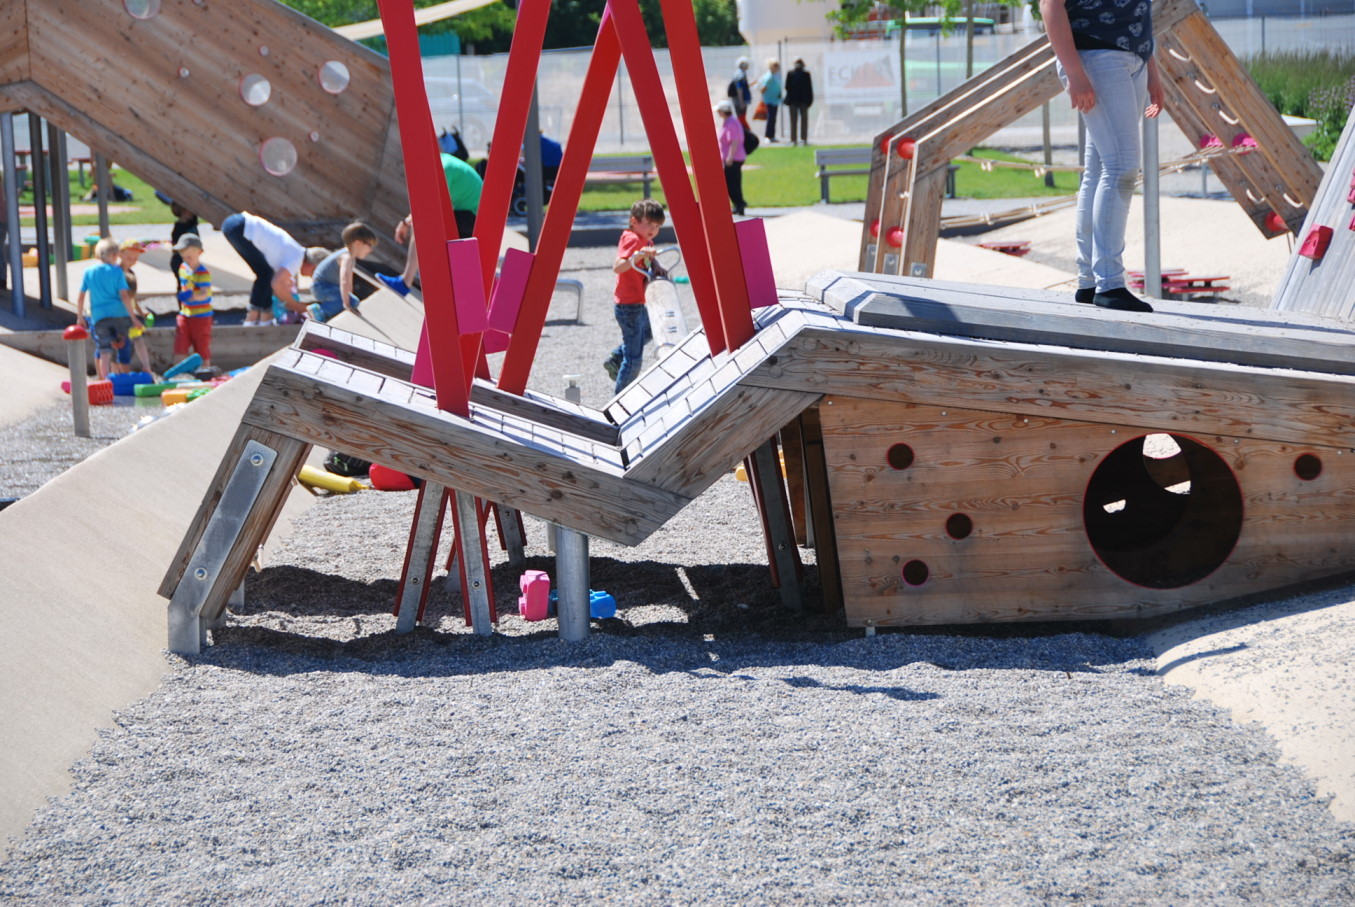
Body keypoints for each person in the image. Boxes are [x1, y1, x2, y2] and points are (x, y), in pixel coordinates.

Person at [1042, 0, 1163, 313]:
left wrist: (1151, 69)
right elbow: (1050, 5)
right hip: (1096, 56)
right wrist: (1074, 73)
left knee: (1098, 169)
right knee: (1121, 168)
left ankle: (1090, 281)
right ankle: (1109, 283)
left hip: (1131, 58)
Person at [378, 152, 483, 297]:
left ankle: (406, 282)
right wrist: (406, 221)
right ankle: (413, 281)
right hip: (471, 212)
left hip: (474, 216)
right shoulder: (441, 160)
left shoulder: (443, 169)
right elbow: (425, 203)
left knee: (422, 227)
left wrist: (405, 223)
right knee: (425, 227)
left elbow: (430, 206)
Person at [221, 211, 326, 324]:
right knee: (266, 274)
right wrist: (297, 306)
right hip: (241, 227)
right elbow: (277, 284)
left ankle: (260, 318)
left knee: (265, 274)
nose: (311, 277)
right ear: (311, 265)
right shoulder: (296, 258)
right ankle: (255, 318)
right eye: (314, 273)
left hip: (236, 224)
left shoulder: (295, 252)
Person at [603, 199, 664, 394]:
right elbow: (618, 267)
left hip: (639, 302)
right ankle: (619, 398)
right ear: (634, 221)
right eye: (650, 224)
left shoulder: (646, 241)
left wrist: (657, 266)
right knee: (634, 358)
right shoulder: (631, 239)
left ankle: (616, 356)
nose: (653, 229)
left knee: (648, 333)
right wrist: (634, 258)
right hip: (628, 305)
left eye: (657, 226)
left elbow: (650, 258)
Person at [76, 237, 143, 380]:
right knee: (123, 345)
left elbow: (81, 296)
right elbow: (125, 297)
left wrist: (80, 317)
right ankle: (124, 377)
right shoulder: (117, 272)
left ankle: (104, 381)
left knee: (104, 351)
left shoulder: (89, 271)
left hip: (99, 317)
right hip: (120, 315)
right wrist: (134, 317)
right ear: (114, 256)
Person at [307, 221, 378, 323]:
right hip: (321, 287)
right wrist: (347, 304)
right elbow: (344, 279)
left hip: (326, 287)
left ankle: (327, 312)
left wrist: (348, 301)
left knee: (354, 301)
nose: (371, 250)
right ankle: (320, 311)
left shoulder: (350, 258)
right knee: (351, 302)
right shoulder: (346, 257)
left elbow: (348, 283)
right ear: (358, 243)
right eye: (369, 245)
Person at [173, 234, 213, 369]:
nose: (186, 260)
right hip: (185, 312)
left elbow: (205, 293)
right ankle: (179, 371)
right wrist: (183, 296)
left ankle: (205, 370)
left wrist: (193, 296)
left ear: (199, 253)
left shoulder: (203, 273)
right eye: (183, 257)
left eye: (189, 257)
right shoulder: (183, 268)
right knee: (180, 343)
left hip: (201, 315)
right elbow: (184, 286)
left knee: (201, 345)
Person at [115, 239, 154, 375]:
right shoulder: (116, 273)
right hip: (120, 315)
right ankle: (119, 372)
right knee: (121, 343)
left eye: (135, 258)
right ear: (120, 254)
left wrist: (140, 311)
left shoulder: (131, 273)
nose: (131, 260)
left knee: (138, 339)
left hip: (130, 314)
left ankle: (146, 366)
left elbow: (132, 297)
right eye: (129, 257)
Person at [716, 100, 748, 216]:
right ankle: (739, 204)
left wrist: (730, 157)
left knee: (731, 183)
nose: (718, 113)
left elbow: (734, 141)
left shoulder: (731, 123)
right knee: (733, 182)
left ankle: (739, 204)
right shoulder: (728, 121)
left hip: (733, 159)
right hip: (732, 158)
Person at [784, 58, 814, 146]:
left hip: (803, 100)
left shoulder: (806, 74)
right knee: (793, 120)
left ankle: (803, 139)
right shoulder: (790, 73)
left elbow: (809, 88)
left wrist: (809, 100)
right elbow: (787, 86)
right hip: (793, 100)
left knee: (804, 119)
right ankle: (793, 139)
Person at [756, 59, 783, 142]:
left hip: (775, 100)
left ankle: (772, 136)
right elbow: (763, 89)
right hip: (769, 101)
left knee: (773, 118)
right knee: (770, 118)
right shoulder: (769, 77)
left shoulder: (776, 75)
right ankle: (768, 136)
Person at [728, 56, 752, 125]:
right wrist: (741, 102)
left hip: (737, 100)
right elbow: (739, 88)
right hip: (740, 100)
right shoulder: (741, 74)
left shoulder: (738, 73)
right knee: (741, 118)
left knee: (741, 118)